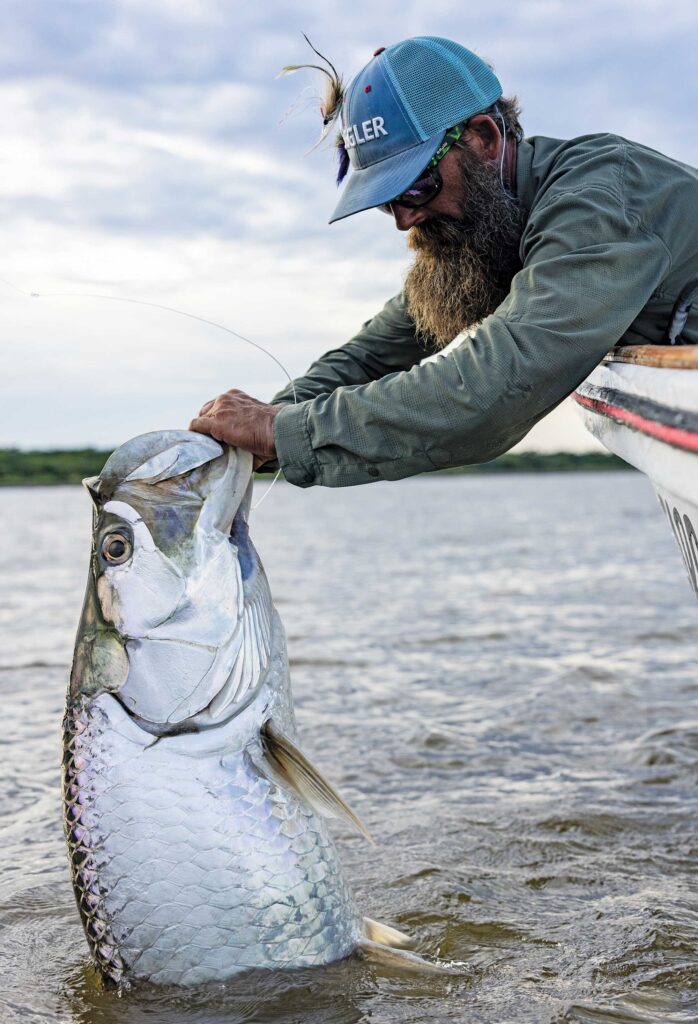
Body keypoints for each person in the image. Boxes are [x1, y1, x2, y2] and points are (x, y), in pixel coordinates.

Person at [189, 35, 698, 485]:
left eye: (415, 186)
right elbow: (372, 354)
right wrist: (261, 426)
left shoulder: (601, 197)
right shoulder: (483, 234)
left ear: (485, 139)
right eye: (387, 200)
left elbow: (499, 384)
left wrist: (284, 432)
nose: (404, 220)